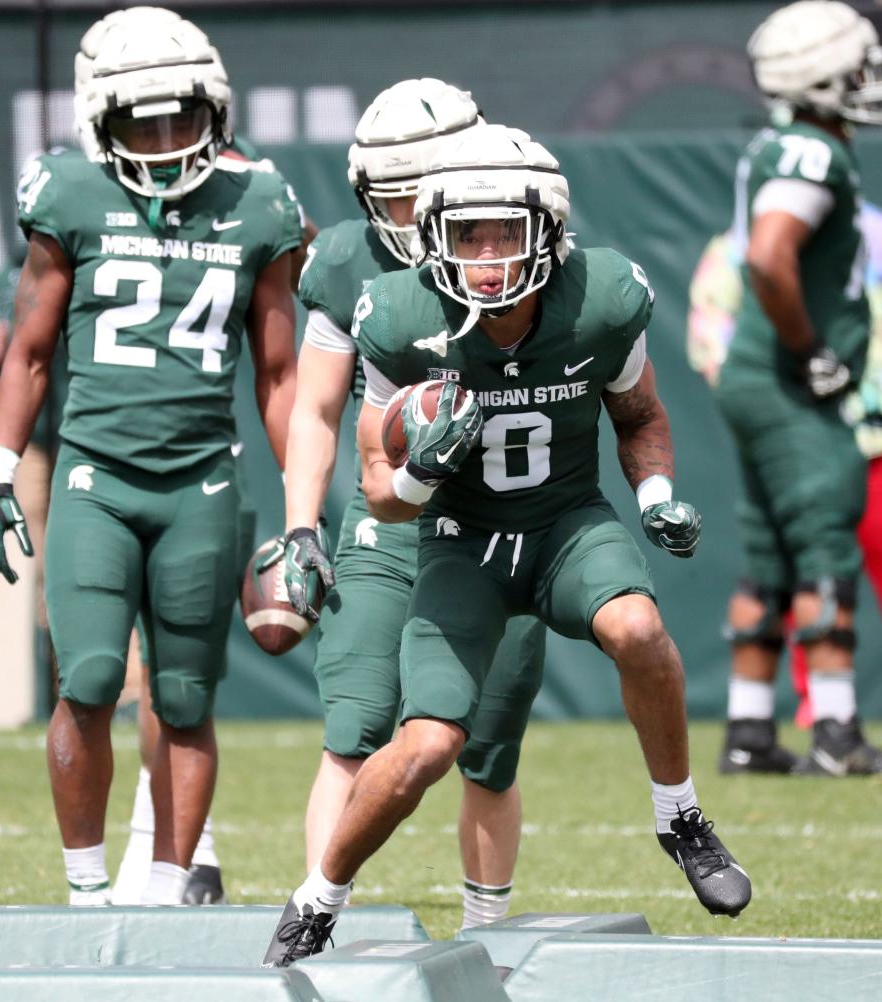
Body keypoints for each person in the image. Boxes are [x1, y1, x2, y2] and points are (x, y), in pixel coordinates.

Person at [261, 123, 752, 967]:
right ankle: (317, 898)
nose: (485, 254)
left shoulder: (602, 296)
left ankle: (681, 816)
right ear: (433, 238)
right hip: (461, 540)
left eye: (505, 232)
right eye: (465, 233)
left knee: (636, 629)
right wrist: (420, 475)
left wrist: (658, 493)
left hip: (568, 524)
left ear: (549, 234)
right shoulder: (401, 314)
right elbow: (379, 483)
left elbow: (639, 417)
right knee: (425, 747)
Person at [0, 7, 302, 905]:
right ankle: (86, 891)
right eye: (139, 121)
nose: (163, 141)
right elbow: (32, 351)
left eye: (180, 118)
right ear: (99, 119)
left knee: (186, 696)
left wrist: (307, 511)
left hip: (203, 480)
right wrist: (0, 467)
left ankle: (164, 888)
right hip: (95, 476)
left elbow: (279, 375)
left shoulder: (260, 203)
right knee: (85, 677)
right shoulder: (69, 193)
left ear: (217, 110)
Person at [278, 79, 546, 930]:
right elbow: (317, 409)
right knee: (352, 727)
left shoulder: (530, 245)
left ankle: (488, 932)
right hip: (385, 516)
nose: (406, 212)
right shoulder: (347, 261)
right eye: (389, 197)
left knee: (488, 749)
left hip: (499, 520)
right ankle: (319, 919)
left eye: (419, 189)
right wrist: (298, 524)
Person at [714, 0, 882, 776]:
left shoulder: (783, 144)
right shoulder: (814, 153)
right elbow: (772, 257)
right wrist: (812, 349)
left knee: (768, 554)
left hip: (755, 378)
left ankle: (749, 733)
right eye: (856, 64)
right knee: (823, 546)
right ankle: (837, 732)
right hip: (787, 381)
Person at [687, 213, 882, 740]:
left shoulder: (861, 229)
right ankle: (831, 725)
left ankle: (749, 729)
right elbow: (710, 325)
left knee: (770, 566)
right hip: (815, 427)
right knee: (818, 561)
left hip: (830, 427)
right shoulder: (752, 243)